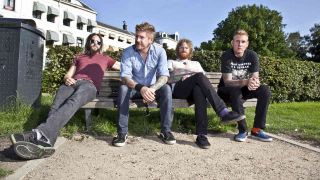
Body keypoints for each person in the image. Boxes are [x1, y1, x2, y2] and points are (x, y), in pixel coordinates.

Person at [10, 33, 120, 159]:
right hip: (73, 83)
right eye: (92, 41)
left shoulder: (106, 58)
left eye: (98, 42)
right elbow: (68, 75)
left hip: (89, 86)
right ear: (88, 42)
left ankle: (38, 134)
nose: (95, 44)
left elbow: (123, 66)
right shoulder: (79, 57)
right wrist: (67, 78)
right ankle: (46, 143)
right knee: (55, 105)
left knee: (73, 101)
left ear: (101, 45)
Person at [168, 39, 245, 149]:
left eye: (186, 47)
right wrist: (181, 77)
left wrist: (193, 78)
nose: (183, 49)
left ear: (190, 50)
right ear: (177, 50)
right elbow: (166, 78)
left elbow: (204, 81)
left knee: (199, 90)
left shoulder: (196, 64)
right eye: (181, 47)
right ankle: (223, 112)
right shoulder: (171, 62)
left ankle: (201, 135)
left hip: (193, 91)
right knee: (198, 76)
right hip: (179, 90)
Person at [112, 22, 175, 147]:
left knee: (167, 89)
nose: (137, 39)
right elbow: (125, 77)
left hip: (152, 89)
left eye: (141, 37)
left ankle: (166, 131)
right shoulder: (128, 52)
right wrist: (141, 88)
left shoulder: (160, 51)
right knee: (123, 88)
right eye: (136, 36)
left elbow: (164, 76)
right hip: (134, 88)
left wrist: (151, 89)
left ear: (150, 40)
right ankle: (122, 133)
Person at [217, 30, 273, 142]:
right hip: (226, 90)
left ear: (247, 44)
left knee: (265, 90)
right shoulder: (227, 55)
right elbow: (228, 81)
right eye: (237, 41)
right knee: (235, 92)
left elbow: (255, 77)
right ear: (232, 43)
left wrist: (254, 83)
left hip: (243, 88)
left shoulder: (252, 55)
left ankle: (257, 129)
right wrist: (247, 82)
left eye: (243, 41)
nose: (240, 44)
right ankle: (242, 130)